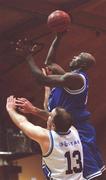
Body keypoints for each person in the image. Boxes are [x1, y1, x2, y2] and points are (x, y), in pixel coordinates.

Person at [16, 33, 105, 179]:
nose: (74, 57)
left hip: (79, 132)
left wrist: (28, 57)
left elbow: (42, 79)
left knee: (93, 175)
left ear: (82, 64)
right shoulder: (65, 83)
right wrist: (58, 36)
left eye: (78, 57)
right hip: (66, 131)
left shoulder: (75, 78)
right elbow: (49, 63)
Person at [6, 95, 85, 180]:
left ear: (53, 125)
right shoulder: (74, 131)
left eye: (50, 115)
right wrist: (33, 110)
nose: (48, 116)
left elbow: (22, 123)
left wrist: (10, 109)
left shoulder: (47, 138)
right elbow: (60, 120)